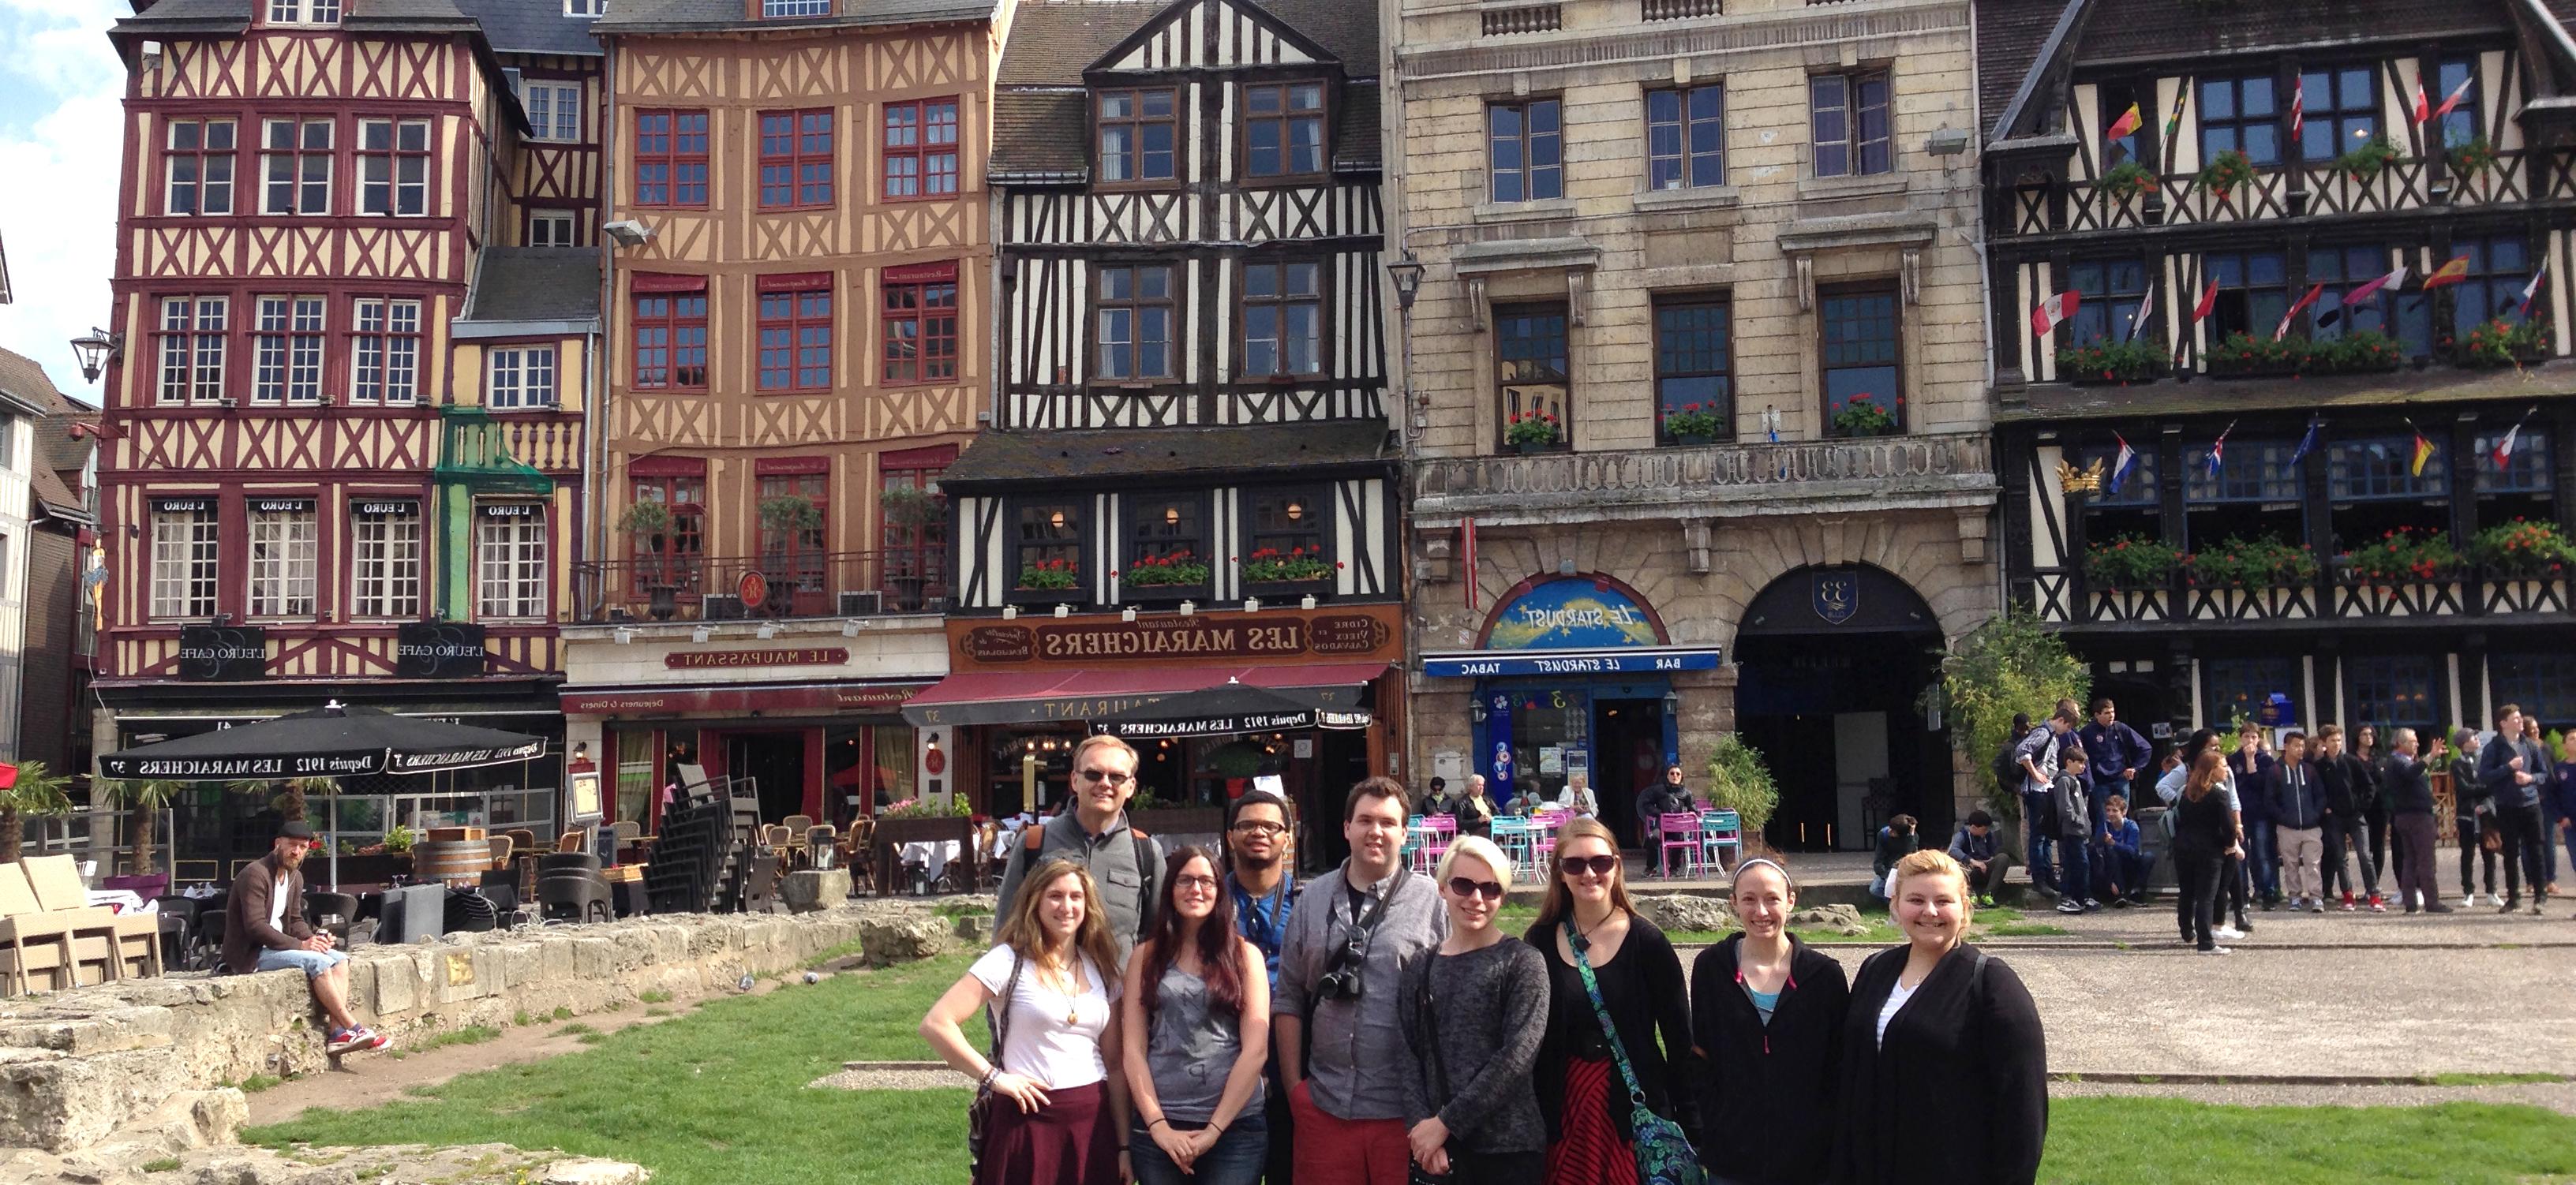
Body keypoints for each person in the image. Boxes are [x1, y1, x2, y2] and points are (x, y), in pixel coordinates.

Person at [1832, 850, 2048, 1185]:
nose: (1929, 912)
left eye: (1943, 901)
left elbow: (2022, 1111)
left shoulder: (1991, 984)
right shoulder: (1875, 969)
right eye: (1916, 899)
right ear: (1896, 905)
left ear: (1964, 908)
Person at [1275, 778, 1447, 1184]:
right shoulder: (1311, 899)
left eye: (1388, 823)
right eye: (1365, 820)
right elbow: (1288, 998)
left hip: (1404, 1112)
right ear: (1346, 828)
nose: (1376, 831)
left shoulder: (1434, 902)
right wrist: (1295, 1090)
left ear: (1405, 833)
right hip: (1324, 1105)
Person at [921, 859, 1131, 1185]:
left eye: (1076, 897)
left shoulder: (1101, 967)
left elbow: (1115, 1064)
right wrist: (994, 1078)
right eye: (1055, 896)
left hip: (1092, 1126)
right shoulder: (1007, 961)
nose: (1067, 906)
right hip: (1025, 1123)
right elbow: (937, 1023)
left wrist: (1124, 1146)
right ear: (1035, 901)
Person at [1526, 819, 1690, 1185]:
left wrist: (1692, 1126)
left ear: (1616, 866)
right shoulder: (1538, 941)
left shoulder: (1647, 943)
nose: (1589, 873)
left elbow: (1680, 1041)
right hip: (1564, 1109)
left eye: (1600, 863)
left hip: (1629, 1112)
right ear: (1560, 873)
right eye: (1575, 864)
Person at [1398, 835, 1548, 1184]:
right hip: (1436, 1150)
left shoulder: (1523, 962)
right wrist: (1421, 1129)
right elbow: (1407, 1051)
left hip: (1507, 1147)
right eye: (1464, 885)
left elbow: (1517, 1056)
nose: (1476, 899)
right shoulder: (1422, 964)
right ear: (1443, 889)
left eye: (1490, 888)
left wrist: (1446, 1124)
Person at [1687, 858, 1846, 1185]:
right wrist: (1713, 1120)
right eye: (1749, 899)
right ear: (1733, 903)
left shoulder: (1824, 976)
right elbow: (1701, 1054)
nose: (1761, 911)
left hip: (1807, 1158)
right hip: (1732, 1155)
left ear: (1790, 900)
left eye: (1772, 898)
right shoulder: (1711, 968)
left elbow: (1839, 1065)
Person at [1123, 848, 1271, 1185]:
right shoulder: (1144, 958)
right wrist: (1157, 1125)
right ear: (1169, 889)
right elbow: (1132, 1048)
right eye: (1185, 880)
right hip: (1160, 1124)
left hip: (1235, 1129)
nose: (1196, 889)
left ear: (1220, 891)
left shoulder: (1245, 957)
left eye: (1206, 881)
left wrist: (1214, 1129)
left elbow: (1256, 1050)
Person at [997, 734, 1164, 961]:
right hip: (1047, 989)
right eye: (1094, 774)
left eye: (1116, 777)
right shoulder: (1034, 843)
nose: (1105, 783)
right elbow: (1005, 930)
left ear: (1131, 787)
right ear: (1075, 780)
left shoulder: (1146, 853)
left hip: (1117, 993)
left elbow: (1158, 938)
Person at [225, 821, 387, 1055]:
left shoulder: (294, 877)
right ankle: (353, 1027)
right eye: (292, 845)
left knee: (340, 959)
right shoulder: (255, 874)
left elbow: (294, 919)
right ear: (277, 844)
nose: (296, 852)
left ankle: (337, 1034)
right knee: (318, 962)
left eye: (302, 847)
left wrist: (314, 939)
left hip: (279, 948)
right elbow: (255, 927)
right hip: (251, 953)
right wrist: (301, 946)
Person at [1218, 789, 1297, 1184]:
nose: (1259, 833)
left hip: (1292, 1056)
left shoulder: (1309, 902)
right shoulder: (1206, 900)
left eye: (1271, 825)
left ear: (1288, 837)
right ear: (1230, 835)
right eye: (1247, 825)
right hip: (1221, 1054)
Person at [2477, 704, 2552, 914]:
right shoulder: (2494, 748)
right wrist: (2508, 768)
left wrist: (2529, 778)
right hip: (2507, 805)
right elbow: (2484, 776)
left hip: (2530, 804)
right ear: (2503, 723)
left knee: (2537, 850)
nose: (2521, 721)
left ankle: (2540, 897)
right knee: (2510, 853)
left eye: (2520, 718)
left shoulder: (2530, 745)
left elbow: (2543, 773)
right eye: (2516, 718)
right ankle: (2513, 898)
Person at [2168, 751, 2242, 955]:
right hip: (2209, 851)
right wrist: (2231, 844)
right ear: (2211, 769)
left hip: (2184, 848)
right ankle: (2206, 943)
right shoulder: (2219, 794)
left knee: (2187, 892)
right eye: (2222, 766)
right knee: (2206, 897)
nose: (2226, 770)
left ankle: (2186, 930)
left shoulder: (2187, 792)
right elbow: (2228, 826)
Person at [2011, 705, 2080, 896]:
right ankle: (2039, 879)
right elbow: (2022, 751)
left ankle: (2049, 877)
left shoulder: (2052, 735)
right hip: (2037, 790)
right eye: (2068, 727)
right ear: (2062, 721)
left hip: (2046, 788)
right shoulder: (2043, 733)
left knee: (2047, 836)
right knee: (2039, 836)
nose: (2068, 731)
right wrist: (2035, 774)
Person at [2314, 726, 2383, 912]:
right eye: (2332, 741)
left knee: (2364, 855)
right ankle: (2348, 896)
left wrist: (2362, 807)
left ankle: (2374, 895)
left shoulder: (2352, 761)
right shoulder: (2320, 766)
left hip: (2356, 815)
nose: (2336, 744)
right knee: (2340, 857)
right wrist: (2325, 808)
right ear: (2324, 743)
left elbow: (2369, 786)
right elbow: (2317, 791)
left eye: (2338, 740)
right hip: (2334, 817)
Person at [2383, 727, 2451, 914]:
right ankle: (2431, 901)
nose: (2417, 744)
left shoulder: (2403, 761)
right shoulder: (2397, 761)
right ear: (2401, 743)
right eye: (2413, 741)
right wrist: (2430, 756)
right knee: (2425, 861)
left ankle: (2411, 902)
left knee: (2411, 861)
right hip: (2415, 817)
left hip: (2411, 815)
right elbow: (2411, 773)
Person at [2263, 731, 2326, 913]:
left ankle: (2316, 897)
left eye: (2302, 746)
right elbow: (2270, 799)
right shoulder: (2275, 771)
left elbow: (2320, 794)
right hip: (2287, 827)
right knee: (2290, 864)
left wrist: (2316, 814)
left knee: (2313, 863)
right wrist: (2282, 817)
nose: (2300, 749)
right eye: (2296, 746)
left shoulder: (2309, 769)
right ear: (2286, 746)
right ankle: (2295, 897)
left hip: (2311, 825)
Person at [2076, 698, 2151, 822]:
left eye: (2112, 712)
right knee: (2105, 819)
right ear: (2097, 715)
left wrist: (2135, 768)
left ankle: (2123, 841)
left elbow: (2145, 748)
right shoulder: (2087, 732)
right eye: (2106, 713)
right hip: (2100, 782)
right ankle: (2106, 841)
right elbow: (2078, 755)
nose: (2111, 716)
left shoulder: (2120, 728)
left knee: (2122, 819)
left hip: (2121, 779)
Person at [2452, 728, 2502, 907]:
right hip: (2466, 815)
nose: (2477, 739)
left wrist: (2486, 804)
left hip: (2485, 813)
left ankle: (2492, 891)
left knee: (2489, 852)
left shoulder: (2484, 761)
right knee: (2467, 854)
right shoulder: (2457, 763)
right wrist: (2485, 788)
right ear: (2464, 742)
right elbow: (2463, 788)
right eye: (2473, 737)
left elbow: (2492, 786)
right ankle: (2468, 891)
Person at [2049, 750, 2095, 913]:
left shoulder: (2074, 780)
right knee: (2079, 864)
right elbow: (2065, 807)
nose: (2083, 767)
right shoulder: (2064, 781)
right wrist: (2078, 821)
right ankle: (2073, 897)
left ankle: (2081, 896)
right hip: (2072, 831)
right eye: (2080, 763)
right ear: (2069, 762)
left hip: (2080, 831)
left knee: (2077, 864)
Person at [2357, 723, 2396, 897]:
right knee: (2364, 849)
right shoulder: (2351, 758)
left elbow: (2386, 782)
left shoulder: (2380, 758)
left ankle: (2374, 886)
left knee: (2378, 846)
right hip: (2360, 807)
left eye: (2371, 734)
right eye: (2365, 734)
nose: (2369, 737)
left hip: (2379, 807)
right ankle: (2366, 883)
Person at [1945, 811, 2012, 907]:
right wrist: (1972, 861)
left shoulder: (1989, 836)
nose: (1986, 832)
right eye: (1984, 829)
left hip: (1985, 867)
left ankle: (1988, 895)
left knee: (2003, 858)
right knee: (1956, 866)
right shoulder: (1961, 836)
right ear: (1974, 827)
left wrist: (1989, 860)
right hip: (1969, 870)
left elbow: (1995, 851)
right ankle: (1970, 894)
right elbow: (1953, 850)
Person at [2090, 795, 2147, 907]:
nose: (2110, 814)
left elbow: (2132, 852)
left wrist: (2114, 843)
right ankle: (2119, 893)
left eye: (2115, 811)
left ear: (2124, 812)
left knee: (2148, 857)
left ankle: (2136, 893)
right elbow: (2097, 848)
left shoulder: (2131, 826)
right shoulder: (2104, 826)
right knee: (2106, 853)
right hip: (2110, 865)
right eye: (2108, 810)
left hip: (2129, 862)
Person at [1869, 815, 1919, 904]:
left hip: (1905, 870)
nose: (1890, 831)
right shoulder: (1883, 835)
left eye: (1893, 831)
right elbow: (1878, 860)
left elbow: (1911, 855)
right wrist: (1885, 876)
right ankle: (1895, 903)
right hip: (1888, 870)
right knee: (1875, 889)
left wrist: (1911, 835)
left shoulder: (1912, 838)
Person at [2552, 735, 2576, 916]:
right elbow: (2554, 796)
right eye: (2572, 739)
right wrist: (2560, 817)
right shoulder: (2560, 769)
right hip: (2570, 823)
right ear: (2564, 745)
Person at [1456, 775, 1496, 839]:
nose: (1481, 788)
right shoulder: (1463, 802)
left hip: (1491, 827)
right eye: (1479, 785)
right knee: (1490, 832)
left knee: (1502, 831)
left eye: (1482, 785)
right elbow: (1461, 824)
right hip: (1473, 831)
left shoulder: (1487, 799)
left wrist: (1492, 819)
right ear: (1471, 787)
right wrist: (1478, 820)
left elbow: (1498, 814)